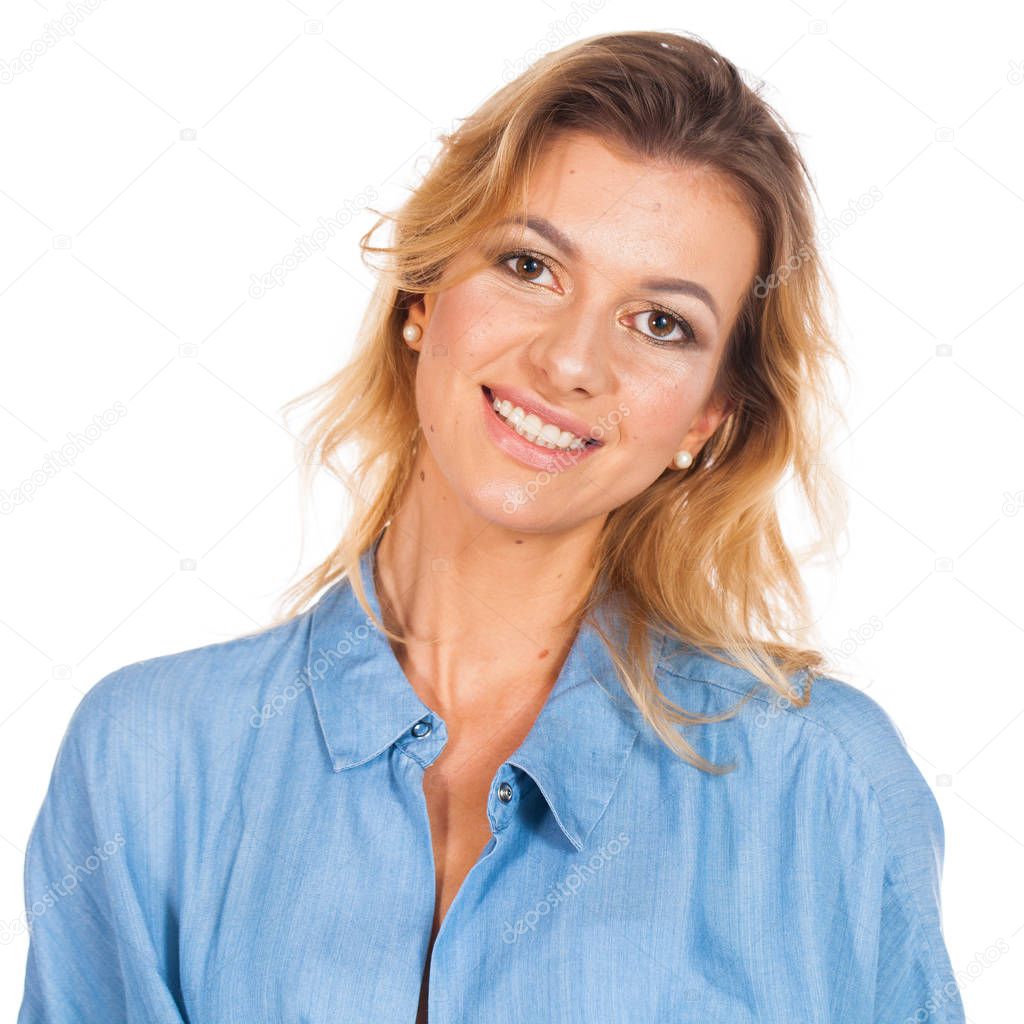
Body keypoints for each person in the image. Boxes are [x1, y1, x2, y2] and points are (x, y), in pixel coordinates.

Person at [17, 29, 965, 1024]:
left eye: (660, 324)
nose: (568, 361)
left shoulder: (824, 788)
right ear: (425, 291)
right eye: (529, 264)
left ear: (707, 416)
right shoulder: (152, 761)